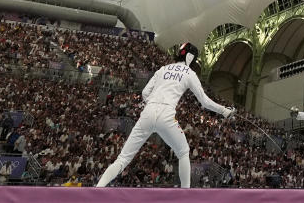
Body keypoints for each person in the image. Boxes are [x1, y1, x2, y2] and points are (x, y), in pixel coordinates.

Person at [95, 42, 234, 189]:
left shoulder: (162, 69)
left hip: (148, 113)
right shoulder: (189, 73)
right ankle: (185, 193)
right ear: (191, 57)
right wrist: (224, 111)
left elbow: (144, 93)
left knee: (123, 158)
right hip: (166, 115)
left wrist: (153, 104)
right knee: (183, 152)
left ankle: (99, 187)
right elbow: (204, 101)